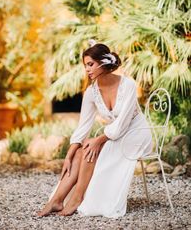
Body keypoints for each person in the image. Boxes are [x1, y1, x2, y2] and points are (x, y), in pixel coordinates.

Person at [37, 42, 153, 218]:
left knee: (92, 147)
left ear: (103, 63)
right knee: (80, 151)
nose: (87, 70)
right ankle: (56, 200)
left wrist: (98, 140)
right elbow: (83, 126)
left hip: (136, 134)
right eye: (85, 66)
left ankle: (77, 198)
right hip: (114, 135)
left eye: (90, 64)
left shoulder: (127, 84)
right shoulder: (91, 92)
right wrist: (69, 155)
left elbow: (122, 123)